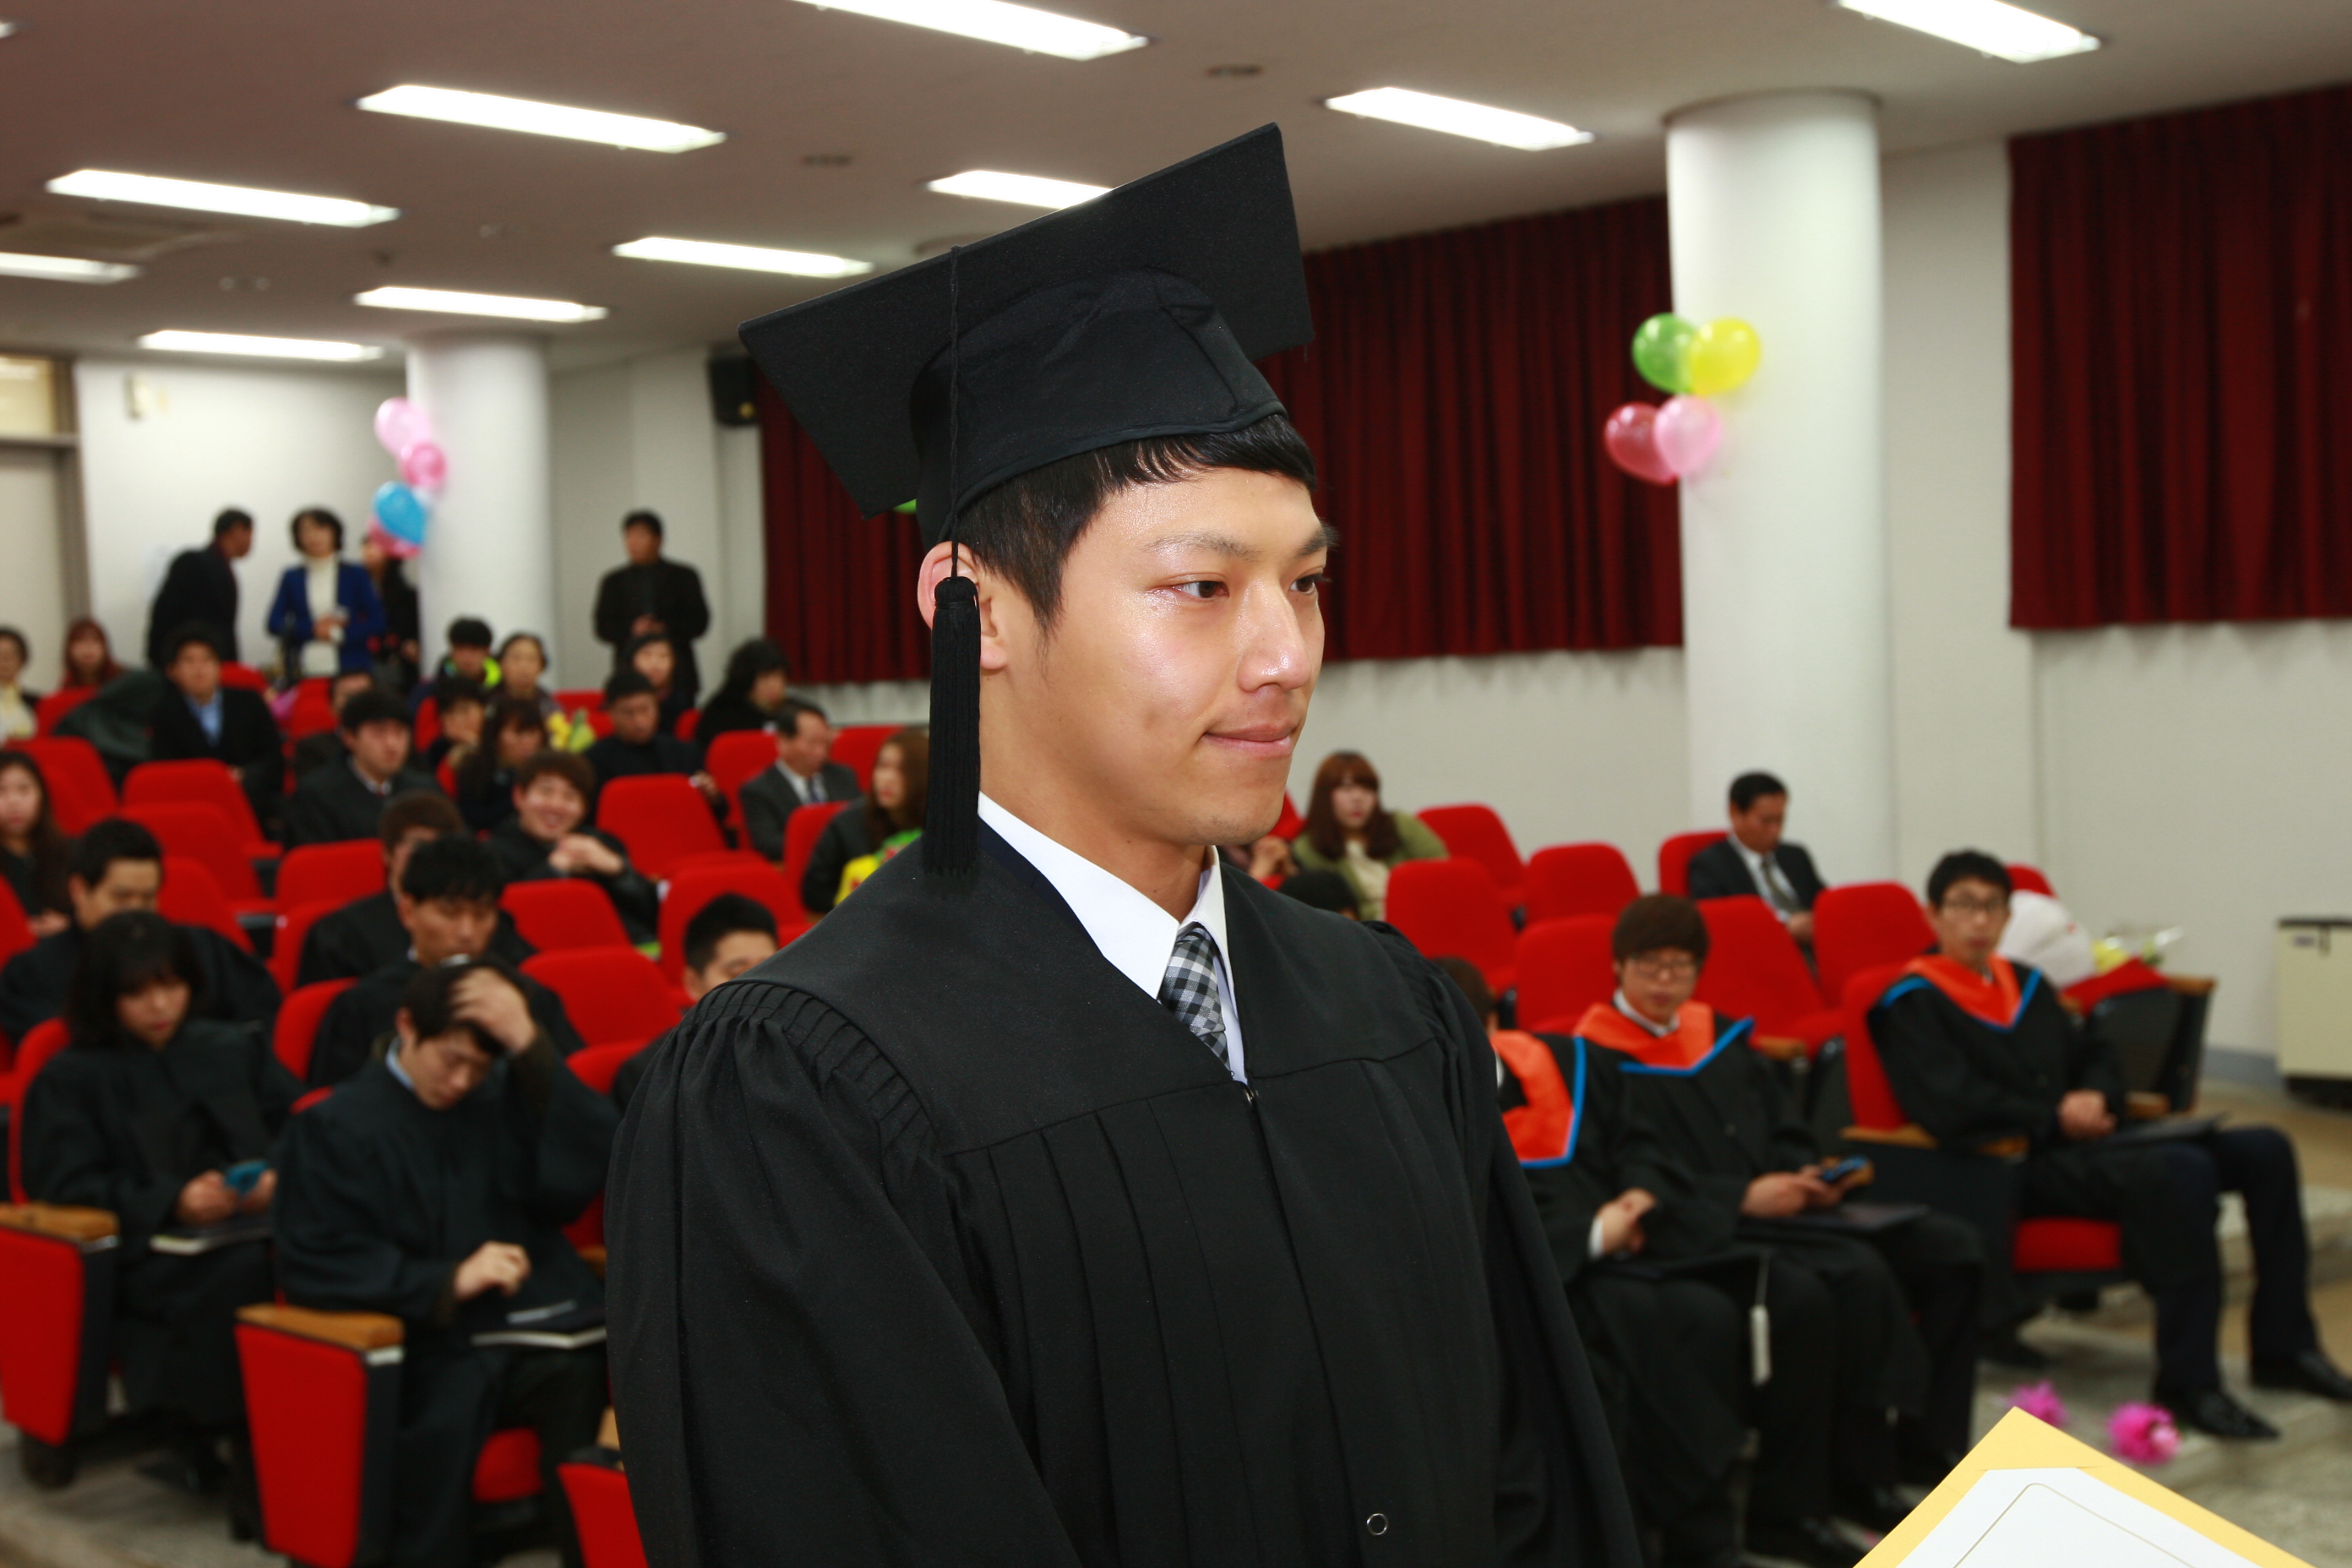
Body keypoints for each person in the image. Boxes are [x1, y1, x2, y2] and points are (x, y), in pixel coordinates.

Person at [608, 127, 1637, 1568]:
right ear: (974, 607)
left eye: (1308, 583)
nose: (1287, 655)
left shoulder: (1387, 1007)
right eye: (1202, 586)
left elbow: (1523, 1478)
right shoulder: (801, 1094)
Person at [1872, 850, 2352, 1439]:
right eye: (1963, 906)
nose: (1978, 920)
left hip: (2083, 1145)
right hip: (2013, 1165)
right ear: (1933, 914)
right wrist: (2054, 1116)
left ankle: (2286, 1347)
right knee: (2183, 1169)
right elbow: (1949, 1104)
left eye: (1992, 907)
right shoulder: (1911, 1002)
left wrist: (2096, 1095)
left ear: (2007, 917)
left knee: (2266, 1149)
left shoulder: (2024, 984)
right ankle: (2188, 1381)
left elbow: (2095, 1054)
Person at [1438, 956, 1848, 1568]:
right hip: (1548, 1278)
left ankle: (1740, 1521)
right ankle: (1690, 1536)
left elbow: (1639, 1139)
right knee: (1672, 1327)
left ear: (1494, 1022)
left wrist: (1640, 1191)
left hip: (1637, 1243)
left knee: (1762, 1301)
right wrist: (1593, 1234)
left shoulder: (1571, 1062)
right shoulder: (1427, 1106)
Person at [1590, 895, 1981, 1537]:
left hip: (1785, 1206)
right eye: (1649, 966)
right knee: (1853, 1279)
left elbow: (1782, 1124)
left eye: (1680, 967)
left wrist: (1810, 1172)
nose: (1664, 982)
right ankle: (1823, 1490)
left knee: (1952, 1250)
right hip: (1705, 1225)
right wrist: (1742, 1197)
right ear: (1618, 965)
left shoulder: (1716, 1035)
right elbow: (1629, 1176)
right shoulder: (1595, 1059)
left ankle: (1922, 1443)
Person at [274, 958, 616, 1568]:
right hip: (421, 1344)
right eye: (450, 1060)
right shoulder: (336, 1126)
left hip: (515, 1332)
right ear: (408, 1026)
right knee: (534, 1382)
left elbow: (591, 1155)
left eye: (480, 1067)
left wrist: (529, 1042)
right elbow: (315, 1259)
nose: (462, 1082)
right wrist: (448, 1281)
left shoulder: (494, 1099)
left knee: (597, 1365)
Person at [20, 909, 297, 1520]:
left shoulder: (230, 1046)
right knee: (242, 1277)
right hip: (149, 1254)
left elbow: (300, 1126)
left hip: (254, 1224)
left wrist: (274, 1176)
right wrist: (172, 1201)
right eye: (138, 992)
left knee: (310, 1259)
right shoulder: (72, 1078)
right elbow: (65, 1185)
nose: (160, 1005)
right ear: (105, 997)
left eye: (171, 986)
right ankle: (249, 1457)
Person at [306, 836, 583, 1087]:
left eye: (481, 914)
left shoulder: (526, 998)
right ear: (408, 912)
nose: (467, 932)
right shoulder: (364, 1006)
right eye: (450, 913)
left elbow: (573, 1099)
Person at [0, 819, 279, 1043]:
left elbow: (261, 1016)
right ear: (79, 890)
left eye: (147, 898)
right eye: (121, 898)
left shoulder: (203, 947)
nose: (136, 912)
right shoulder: (33, 973)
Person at [295, 791, 534, 989]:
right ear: (388, 853)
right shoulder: (343, 934)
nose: (467, 931)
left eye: (442, 844)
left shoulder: (493, 925)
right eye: (418, 844)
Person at [608, 894, 781, 1115]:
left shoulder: (806, 1048)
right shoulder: (652, 1073)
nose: (758, 987)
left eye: (770, 970)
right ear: (693, 983)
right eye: (737, 973)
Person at [488, 752, 657, 945]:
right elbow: (502, 923)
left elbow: (654, 914)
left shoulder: (601, 843)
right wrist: (553, 870)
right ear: (519, 797)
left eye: (570, 796)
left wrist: (618, 870)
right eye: (546, 792)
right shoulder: (492, 853)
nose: (556, 805)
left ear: (585, 809)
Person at [146, 625, 286, 832]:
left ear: (220, 666)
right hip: (194, 804)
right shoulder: (163, 713)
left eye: (207, 660)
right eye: (189, 661)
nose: (199, 669)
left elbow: (273, 759)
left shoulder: (249, 702)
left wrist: (244, 775)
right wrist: (213, 781)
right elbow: (165, 770)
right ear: (172, 671)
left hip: (252, 798)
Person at [1286, 749, 1447, 921]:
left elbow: (1443, 873)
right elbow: (1336, 911)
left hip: (1423, 918)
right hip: (1365, 930)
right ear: (1324, 796)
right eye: (1347, 789)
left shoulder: (1400, 824)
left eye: (1367, 789)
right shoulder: (1308, 848)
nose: (1358, 798)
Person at [284, 688, 438, 849]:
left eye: (399, 732)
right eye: (379, 733)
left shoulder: (425, 791)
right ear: (350, 737)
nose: (391, 744)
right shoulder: (316, 796)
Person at [1684, 772, 1827, 944]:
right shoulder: (1711, 865)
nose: (1775, 830)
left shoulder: (1795, 856)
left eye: (1780, 820)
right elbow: (1720, 928)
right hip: (1760, 950)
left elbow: (1824, 904)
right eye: (1766, 821)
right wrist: (1783, 932)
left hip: (1816, 945)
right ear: (1735, 813)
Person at [796, 727, 924, 914]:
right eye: (883, 766)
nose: (887, 779)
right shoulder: (846, 824)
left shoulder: (944, 825)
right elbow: (814, 893)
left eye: (902, 770)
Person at [592, 510, 708, 708]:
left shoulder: (684, 576)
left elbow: (700, 623)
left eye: (641, 536)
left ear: (658, 539)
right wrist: (632, 629)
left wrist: (664, 628)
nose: (634, 543)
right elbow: (602, 628)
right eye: (629, 536)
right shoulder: (613, 581)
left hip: (679, 675)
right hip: (628, 675)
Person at [584, 671, 723, 828]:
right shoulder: (593, 760)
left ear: (657, 706)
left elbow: (719, 813)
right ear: (611, 712)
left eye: (645, 709)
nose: (639, 721)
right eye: (628, 713)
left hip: (680, 831)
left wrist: (712, 797)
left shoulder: (683, 752)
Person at [266, 507, 385, 680]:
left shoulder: (355, 574)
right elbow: (273, 623)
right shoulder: (292, 577)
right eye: (306, 531)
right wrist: (313, 628)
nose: (314, 536)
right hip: (303, 669)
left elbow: (378, 622)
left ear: (335, 533)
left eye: (320, 529)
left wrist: (337, 634)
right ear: (297, 538)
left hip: (351, 668)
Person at [738, 698, 855, 862]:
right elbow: (769, 845)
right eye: (812, 743)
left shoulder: (843, 775)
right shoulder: (759, 790)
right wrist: (829, 843)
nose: (821, 752)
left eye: (826, 742)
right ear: (783, 741)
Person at [146, 508, 252, 669]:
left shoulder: (222, 567)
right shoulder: (193, 563)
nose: (252, 542)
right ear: (237, 530)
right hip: (189, 666)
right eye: (250, 534)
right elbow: (165, 614)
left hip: (212, 665)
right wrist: (161, 662)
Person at [0, 751, 73, 938]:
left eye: (24, 789)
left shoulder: (69, 850)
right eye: (2, 791)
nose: (14, 801)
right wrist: (20, 930)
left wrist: (69, 925)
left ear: (42, 795)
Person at [454, 698, 546, 834]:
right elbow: (472, 817)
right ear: (496, 735)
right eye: (518, 733)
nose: (527, 741)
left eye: (532, 733)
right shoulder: (476, 768)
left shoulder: (551, 770)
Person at [693, 640, 791, 742]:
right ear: (747, 680)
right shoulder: (723, 713)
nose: (773, 685)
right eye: (765, 678)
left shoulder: (793, 711)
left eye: (778, 677)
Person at [289, 670, 379, 780]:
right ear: (331, 705)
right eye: (349, 697)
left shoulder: (393, 744)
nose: (356, 704)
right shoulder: (312, 749)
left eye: (363, 696)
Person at [360, 529, 421, 689]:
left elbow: (410, 627)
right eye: (366, 546)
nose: (369, 551)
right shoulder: (355, 589)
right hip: (363, 659)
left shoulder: (406, 594)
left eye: (375, 546)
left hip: (397, 662)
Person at [412, 617, 497, 715]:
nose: (467, 656)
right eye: (460, 648)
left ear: (488, 653)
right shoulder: (428, 692)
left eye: (475, 649)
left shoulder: (501, 691)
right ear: (451, 652)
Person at [619, 632, 692, 736]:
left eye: (663, 656)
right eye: (647, 655)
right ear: (632, 661)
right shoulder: (618, 699)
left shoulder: (681, 703)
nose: (655, 663)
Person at [425, 677, 487, 772]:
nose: (458, 720)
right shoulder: (435, 752)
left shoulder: (500, 740)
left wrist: (475, 745)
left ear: (483, 709)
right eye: (450, 713)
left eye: (464, 710)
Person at [494, 633, 559, 719]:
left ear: (542, 666)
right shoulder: (488, 702)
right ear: (501, 663)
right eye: (516, 658)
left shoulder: (548, 705)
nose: (523, 666)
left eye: (531, 659)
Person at [61, 615, 123, 689]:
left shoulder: (123, 683)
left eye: (95, 640)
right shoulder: (67, 688)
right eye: (80, 641)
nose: (88, 646)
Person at [0, 626, 40, 740]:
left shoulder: (37, 703)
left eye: (11, 654)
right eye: (0, 654)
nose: (5, 660)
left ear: (23, 659)